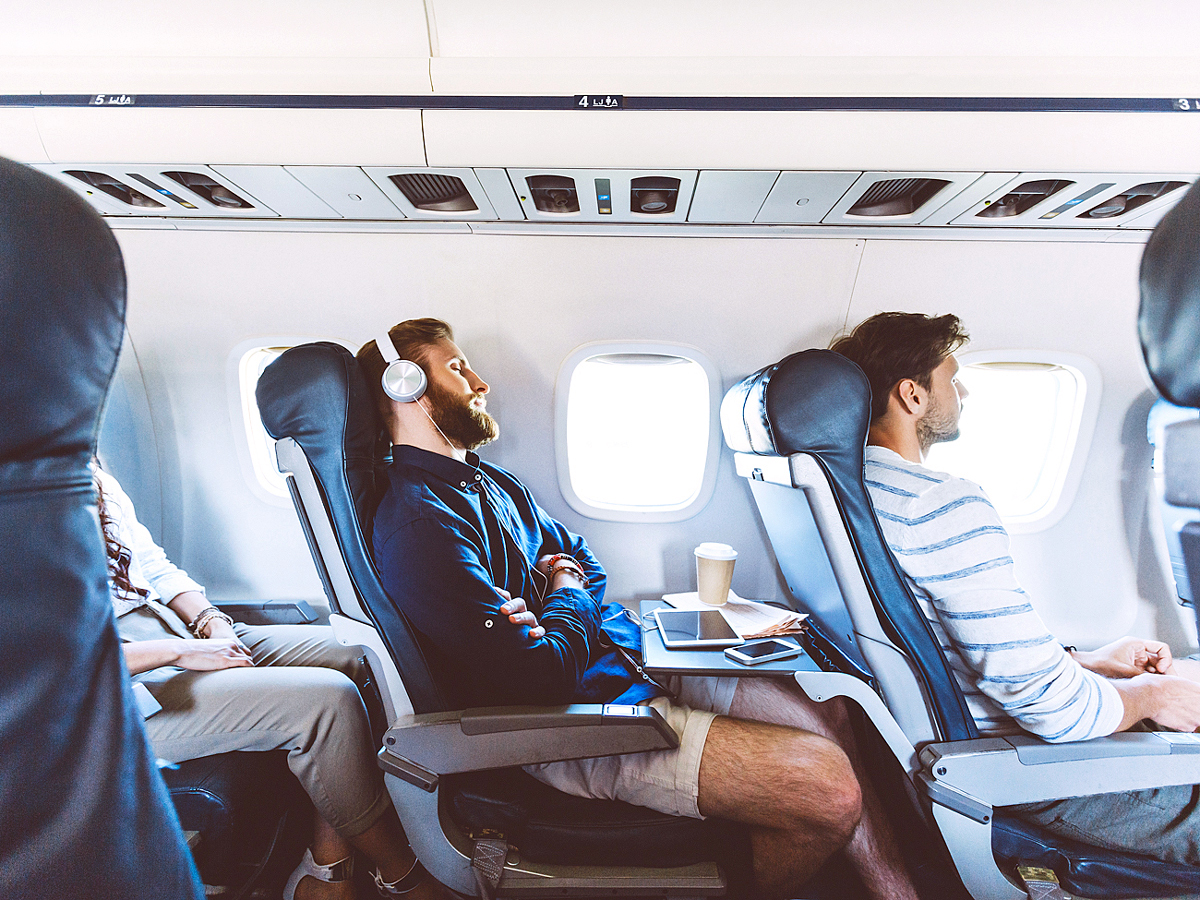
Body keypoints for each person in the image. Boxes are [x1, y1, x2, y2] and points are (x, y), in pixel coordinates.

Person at [358, 318, 923, 900]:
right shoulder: (420, 526)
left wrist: (558, 595)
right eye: (456, 368)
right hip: (567, 724)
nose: (480, 381)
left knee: (827, 708)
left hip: (625, 661)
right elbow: (540, 673)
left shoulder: (489, 481)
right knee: (828, 789)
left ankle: (899, 890)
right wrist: (568, 592)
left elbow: (583, 559)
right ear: (405, 386)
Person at [832, 311, 1200, 865]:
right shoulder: (941, 503)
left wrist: (1091, 660)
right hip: (1030, 769)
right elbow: (1048, 710)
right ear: (911, 395)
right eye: (951, 378)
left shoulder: (857, 492)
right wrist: (1152, 697)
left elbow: (960, 650)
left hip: (985, 740)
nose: (963, 392)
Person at [94, 464, 445, 900]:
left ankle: (327, 866)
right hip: (110, 684)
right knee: (327, 702)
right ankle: (402, 874)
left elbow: (152, 568)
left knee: (363, 656)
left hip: (172, 628)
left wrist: (212, 624)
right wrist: (178, 652)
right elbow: (43, 664)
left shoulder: (86, 466)